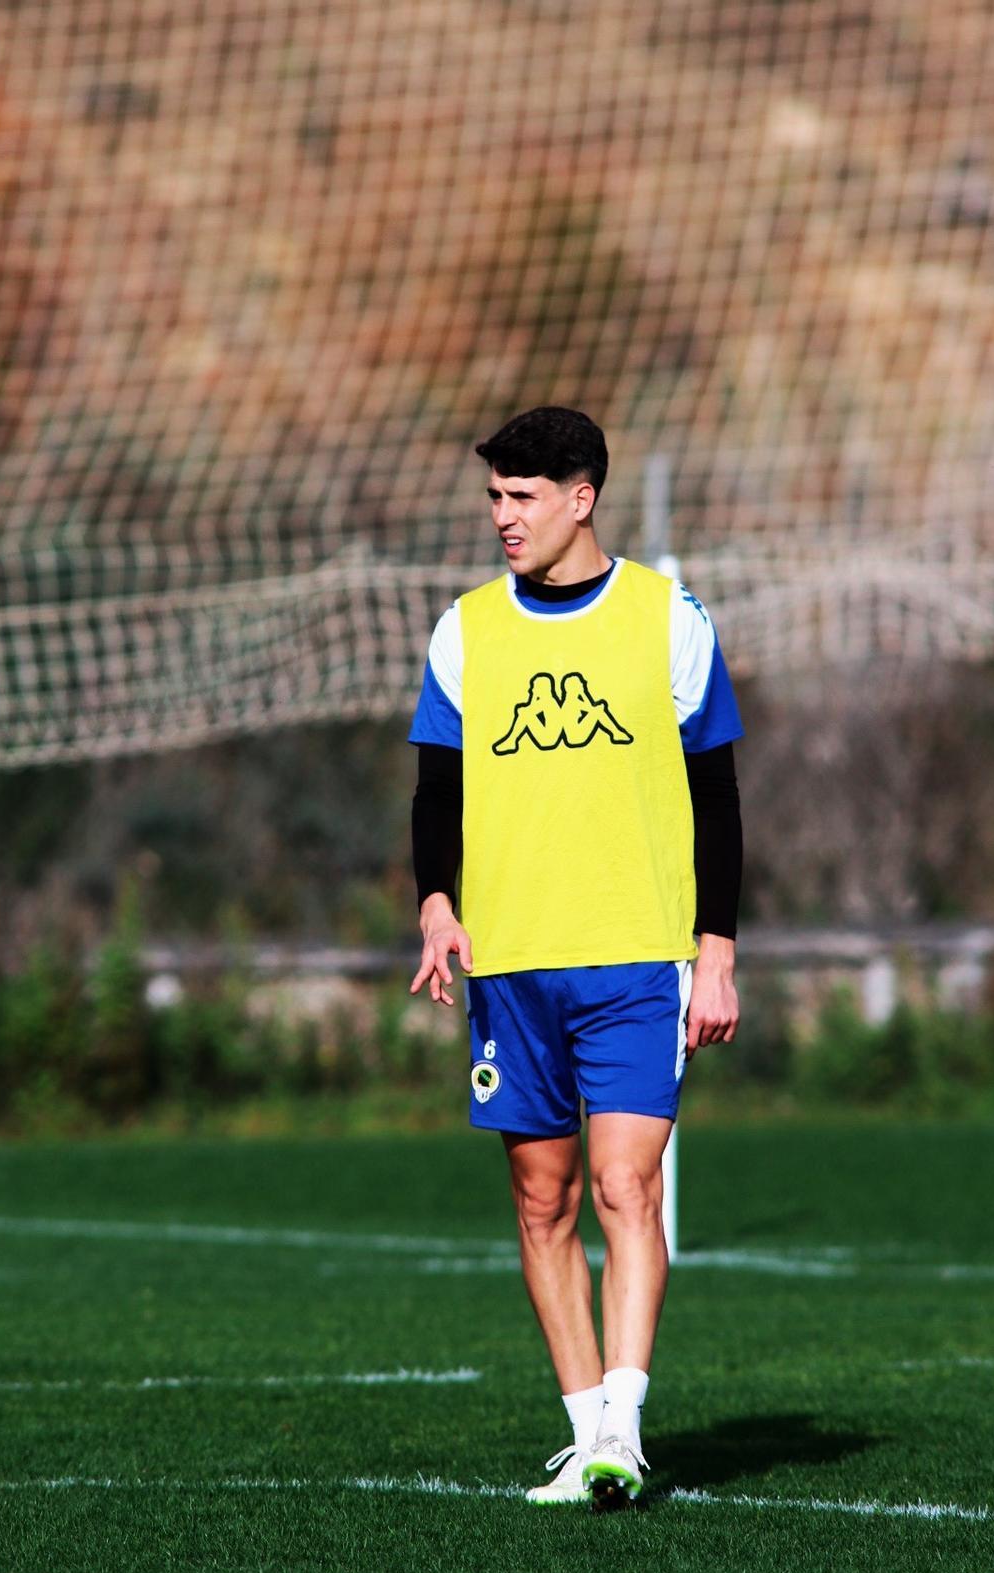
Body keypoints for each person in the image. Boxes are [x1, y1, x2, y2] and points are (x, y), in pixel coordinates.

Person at [408, 406, 743, 1507]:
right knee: (540, 1202)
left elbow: (717, 798)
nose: (502, 518)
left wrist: (718, 950)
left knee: (623, 1186)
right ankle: (584, 1430)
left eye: (522, 498)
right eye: (494, 498)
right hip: (511, 963)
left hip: (638, 959)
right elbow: (436, 789)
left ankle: (626, 1429)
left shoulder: (668, 620)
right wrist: (438, 906)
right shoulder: (465, 630)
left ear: (581, 496)